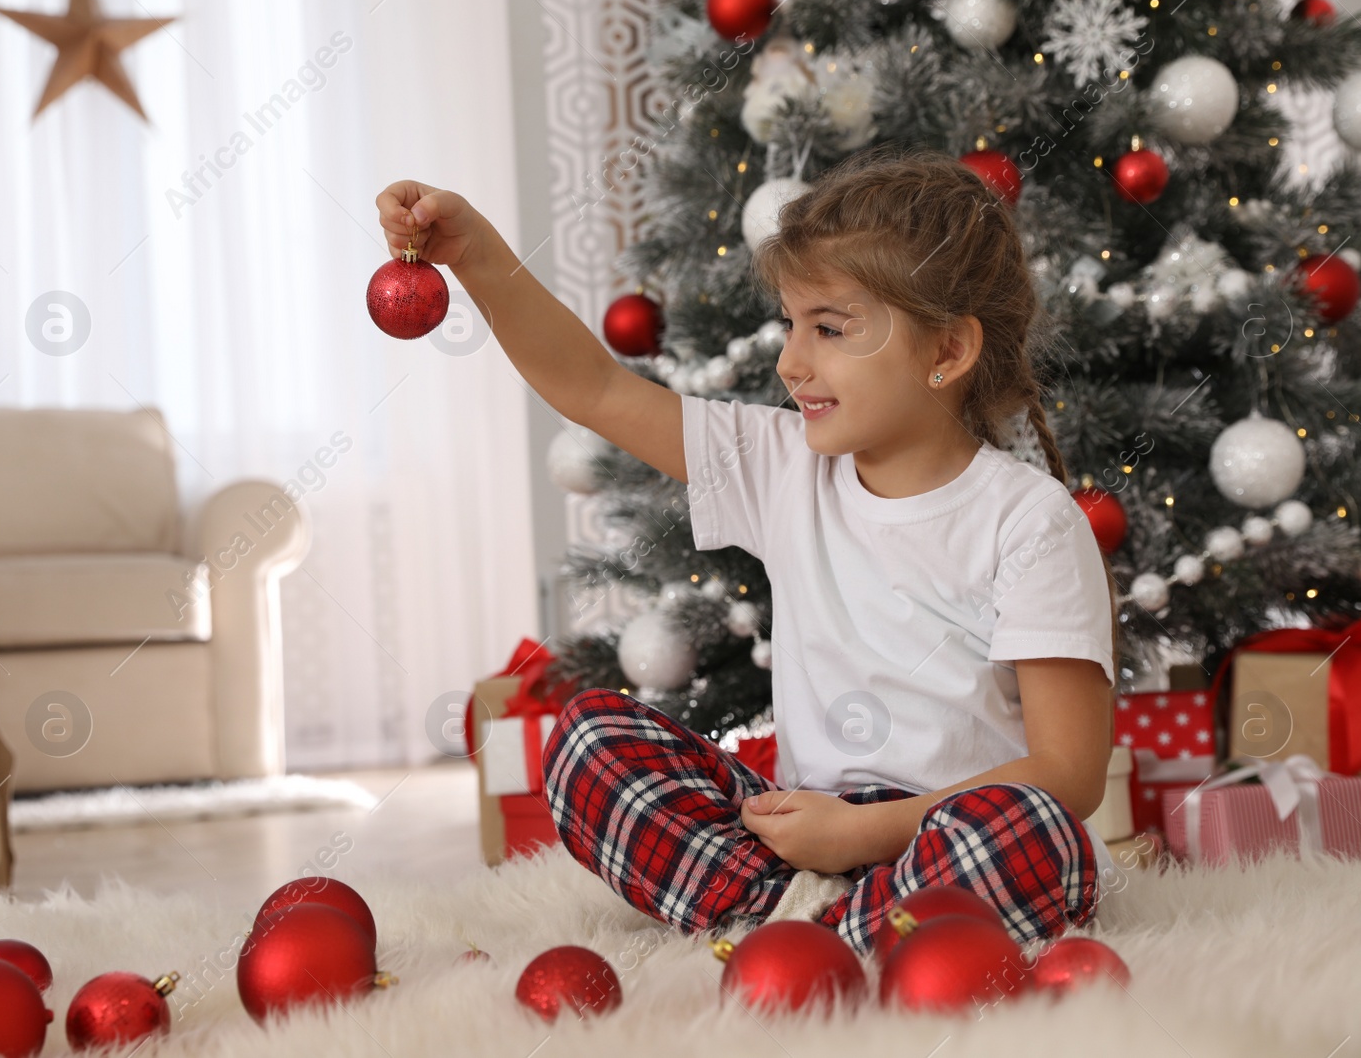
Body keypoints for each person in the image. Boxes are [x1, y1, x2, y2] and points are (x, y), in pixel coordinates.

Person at [376, 145, 1120, 956]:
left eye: (829, 329)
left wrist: (865, 833)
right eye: (792, 325)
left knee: (1040, 839)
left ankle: (808, 930)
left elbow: (1068, 772)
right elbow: (595, 388)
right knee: (589, 739)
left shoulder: (1032, 521)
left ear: (947, 352)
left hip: (944, 833)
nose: (790, 362)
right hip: (797, 837)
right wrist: (477, 255)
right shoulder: (780, 462)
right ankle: (825, 922)